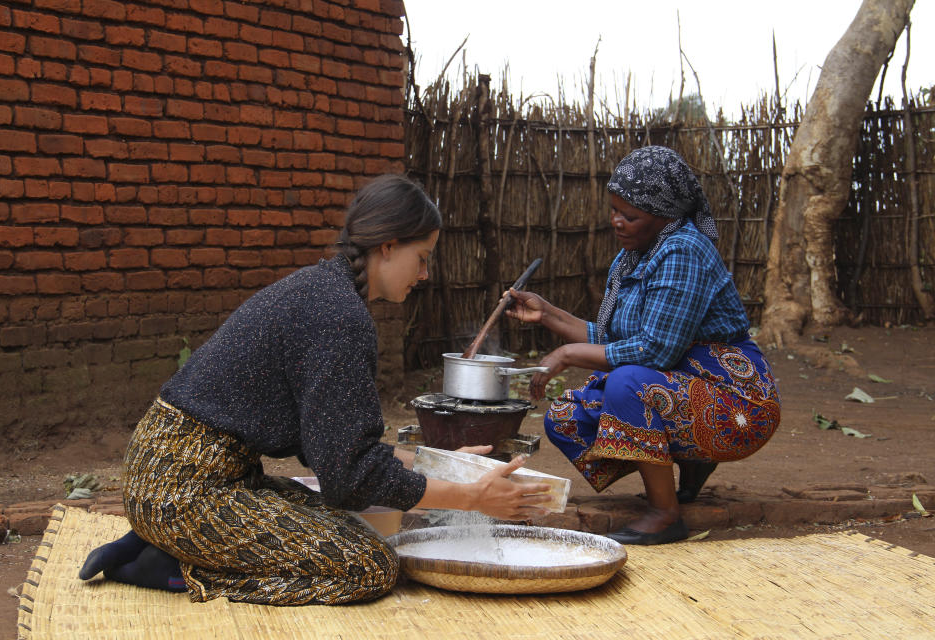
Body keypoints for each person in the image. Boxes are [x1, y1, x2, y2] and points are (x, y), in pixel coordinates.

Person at [79, 174, 551, 605]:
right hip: (184, 489)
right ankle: (175, 565)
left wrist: (445, 467)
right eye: (422, 258)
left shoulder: (326, 294)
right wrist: (471, 498)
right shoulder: (337, 316)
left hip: (186, 475)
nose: (424, 275)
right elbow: (353, 481)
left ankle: (164, 539)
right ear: (388, 246)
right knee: (369, 566)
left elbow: (340, 449)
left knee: (341, 526)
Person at [506, 146, 780, 545]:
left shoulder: (683, 251)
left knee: (626, 384)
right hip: (684, 387)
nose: (617, 221)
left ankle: (666, 514)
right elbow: (616, 340)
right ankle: (689, 462)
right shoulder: (634, 256)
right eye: (614, 210)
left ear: (665, 214)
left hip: (737, 401)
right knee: (567, 417)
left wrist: (565, 355)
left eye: (630, 215)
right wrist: (547, 313)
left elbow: (654, 353)